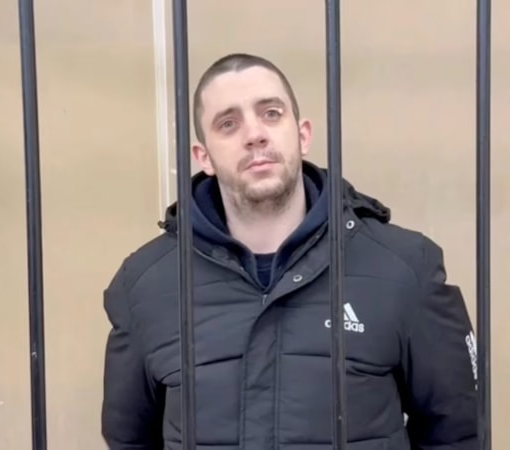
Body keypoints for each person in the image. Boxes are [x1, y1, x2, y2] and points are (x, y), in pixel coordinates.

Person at [101, 52, 479, 450]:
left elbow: (458, 432)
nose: (254, 134)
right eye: (228, 123)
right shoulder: (145, 286)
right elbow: (129, 440)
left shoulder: (403, 268)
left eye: (271, 113)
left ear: (303, 135)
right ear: (203, 157)